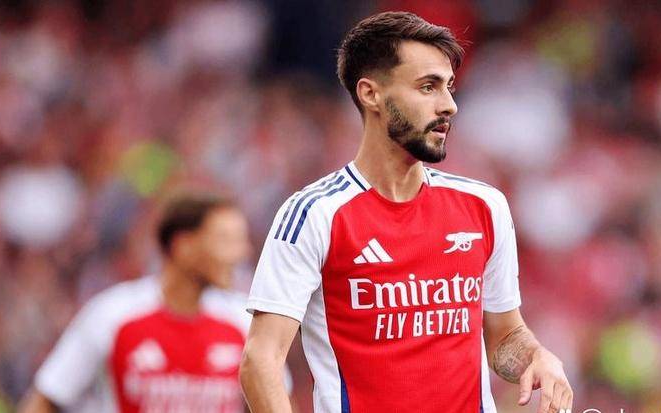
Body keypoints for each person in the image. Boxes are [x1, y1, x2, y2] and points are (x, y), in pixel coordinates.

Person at [240, 11, 573, 413]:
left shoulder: (485, 206)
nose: (449, 105)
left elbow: (504, 336)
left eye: (449, 87)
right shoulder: (314, 214)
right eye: (428, 87)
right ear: (371, 94)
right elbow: (261, 361)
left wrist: (536, 356)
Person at [19, 194, 252, 413]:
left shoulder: (245, 321)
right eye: (225, 240)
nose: (241, 253)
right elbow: (46, 398)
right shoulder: (112, 314)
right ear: (184, 245)